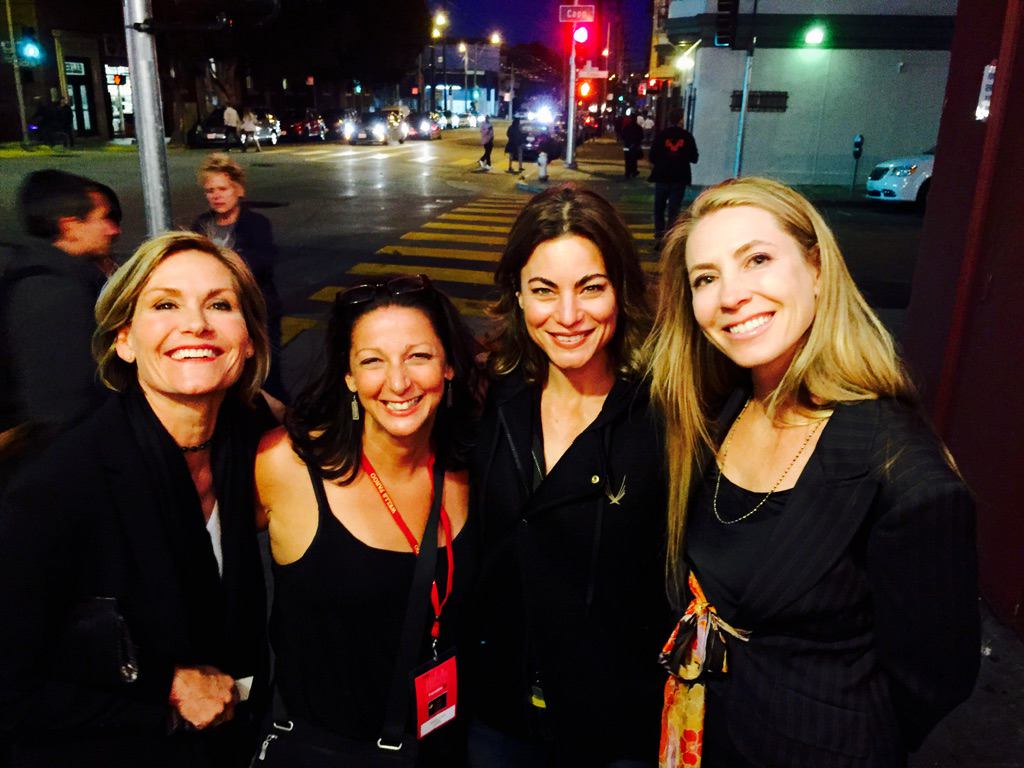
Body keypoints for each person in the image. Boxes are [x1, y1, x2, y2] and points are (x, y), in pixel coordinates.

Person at [648, 177, 979, 767]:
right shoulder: (722, 410)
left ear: (818, 269)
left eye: (757, 259)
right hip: (706, 737)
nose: (730, 295)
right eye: (706, 278)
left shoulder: (901, 473)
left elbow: (934, 679)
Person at [0, 232, 275, 767]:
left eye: (220, 304)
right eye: (165, 304)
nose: (195, 323)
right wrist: (165, 692)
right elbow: (11, 686)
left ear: (248, 342)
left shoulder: (248, 441)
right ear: (124, 339)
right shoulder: (58, 484)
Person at [467, 185, 671, 767]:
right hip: (497, 718)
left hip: (613, 730)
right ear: (516, 296)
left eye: (591, 288)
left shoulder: (665, 416)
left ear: (622, 289)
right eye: (543, 291)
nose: (567, 316)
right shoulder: (489, 398)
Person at [254, 274, 482, 765]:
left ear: (447, 366)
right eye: (372, 360)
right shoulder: (289, 466)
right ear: (349, 376)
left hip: (442, 746)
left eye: (418, 356)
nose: (398, 382)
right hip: (325, 752)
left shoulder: (468, 466)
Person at [0, 170, 121, 486]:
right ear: (70, 227)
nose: (112, 229)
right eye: (101, 218)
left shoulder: (56, 279)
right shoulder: (51, 295)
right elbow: (62, 411)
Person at [192, 153, 286, 402]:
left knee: (267, 375)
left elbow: (262, 262)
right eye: (210, 190)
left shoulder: (256, 224)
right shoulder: (201, 225)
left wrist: (219, 262)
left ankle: (281, 425)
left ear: (239, 190)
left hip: (258, 314)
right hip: (219, 316)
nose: (216, 196)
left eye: (222, 189)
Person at [648, 108, 698, 248]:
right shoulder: (687, 136)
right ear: (681, 119)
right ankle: (670, 237)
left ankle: (659, 235)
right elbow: (694, 158)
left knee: (659, 207)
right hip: (679, 176)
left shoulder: (662, 135)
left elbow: (652, 156)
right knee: (674, 209)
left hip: (662, 175)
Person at [621, 114, 644, 179]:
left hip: (627, 145)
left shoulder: (626, 127)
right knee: (634, 159)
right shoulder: (638, 128)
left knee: (627, 159)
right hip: (635, 146)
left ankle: (627, 172)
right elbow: (641, 137)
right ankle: (634, 171)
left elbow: (623, 136)